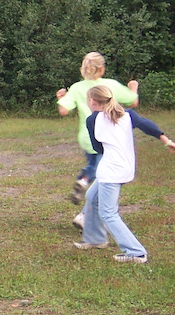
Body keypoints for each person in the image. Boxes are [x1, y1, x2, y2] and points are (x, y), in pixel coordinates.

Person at [73, 85, 175, 264]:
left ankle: (136, 252)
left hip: (111, 171)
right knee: (91, 196)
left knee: (108, 213)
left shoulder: (92, 120)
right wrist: (166, 140)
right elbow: (146, 125)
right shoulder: (127, 114)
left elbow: (98, 148)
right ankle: (96, 239)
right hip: (124, 168)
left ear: (92, 101)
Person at [56, 52, 139, 229]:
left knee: (95, 166)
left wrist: (62, 98)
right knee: (105, 177)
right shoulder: (110, 85)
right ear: (101, 69)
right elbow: (133, 102)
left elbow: (63, 110)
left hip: (87, 137)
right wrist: (133, 87)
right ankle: (85, 215)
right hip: (106, 137)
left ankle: (85, 179)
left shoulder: (77, 87)